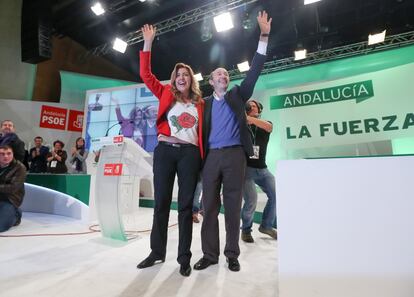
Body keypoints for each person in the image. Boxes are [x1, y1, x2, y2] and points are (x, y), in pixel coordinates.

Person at [193, 11, 272, 273]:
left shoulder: (238, 95)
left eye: (226, 75)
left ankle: (232, 254)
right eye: (219, 75)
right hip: (212, 158)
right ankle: (210, 254)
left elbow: (256, 70)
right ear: (211, 81)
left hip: (236, 156)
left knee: (233, 206)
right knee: (209, 208)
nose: (223, 77)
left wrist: (263, 36)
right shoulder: (202, 105)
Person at [136, 23, 204, 277]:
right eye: (178, 75)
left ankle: (183, 258)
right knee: (161, 203)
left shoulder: (200, 103)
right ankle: (157, 252)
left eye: (186, 74)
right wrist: (148, 43)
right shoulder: (165, 92)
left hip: (189, 155)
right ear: (174, 79)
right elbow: (145, 74)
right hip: (165, 151)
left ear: (191, 79)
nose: (181, 78)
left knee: (186, 206)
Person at [241, 99, 277, 243]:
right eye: (250, 105)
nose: (253, 107)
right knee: (251, 200)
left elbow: (268, 127)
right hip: (246, 169)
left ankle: (266, 226)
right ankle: (246, 230)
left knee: (275, 195)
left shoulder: (264, 124)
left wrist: (249, 118)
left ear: (259, 109)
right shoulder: (241, 125)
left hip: (263, 169)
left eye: (255, 105)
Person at [0, 145, 27, 232]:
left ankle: (16, 215)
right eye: (2, 154)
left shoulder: (20, 168)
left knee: (1, 226)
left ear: (13, 154)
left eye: (9, 153)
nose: (6, 156)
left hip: (10, 200)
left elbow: (13, 188)